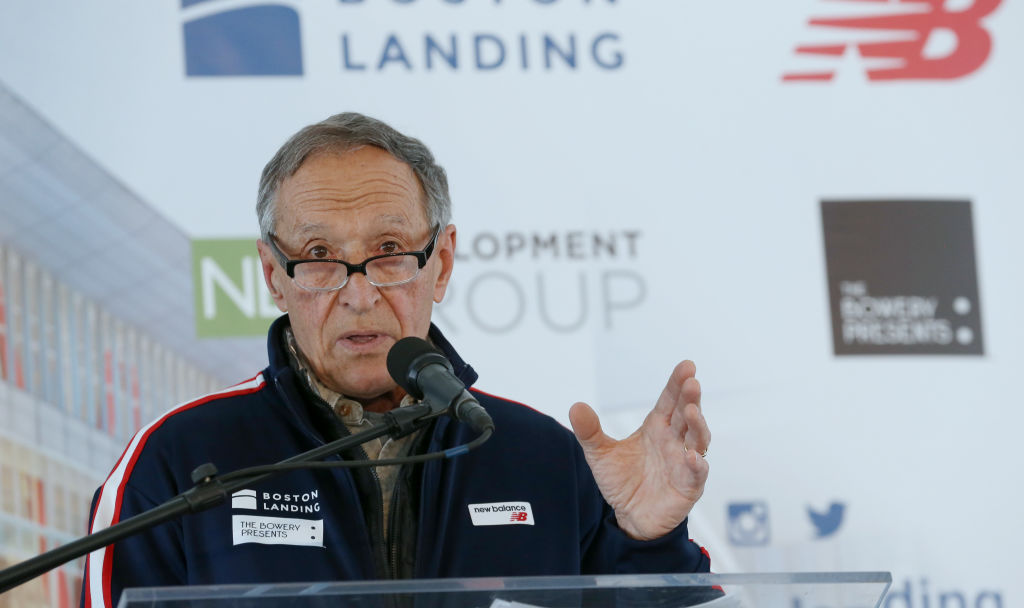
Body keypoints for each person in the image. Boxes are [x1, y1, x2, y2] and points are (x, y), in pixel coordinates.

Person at [81, 113, 712, 608]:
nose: (359, 294)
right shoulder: (175, 461)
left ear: (441, 262)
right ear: (274, 276)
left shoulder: (545, 457)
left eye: (388, 250)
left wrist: (648, 540)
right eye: (320, 254)